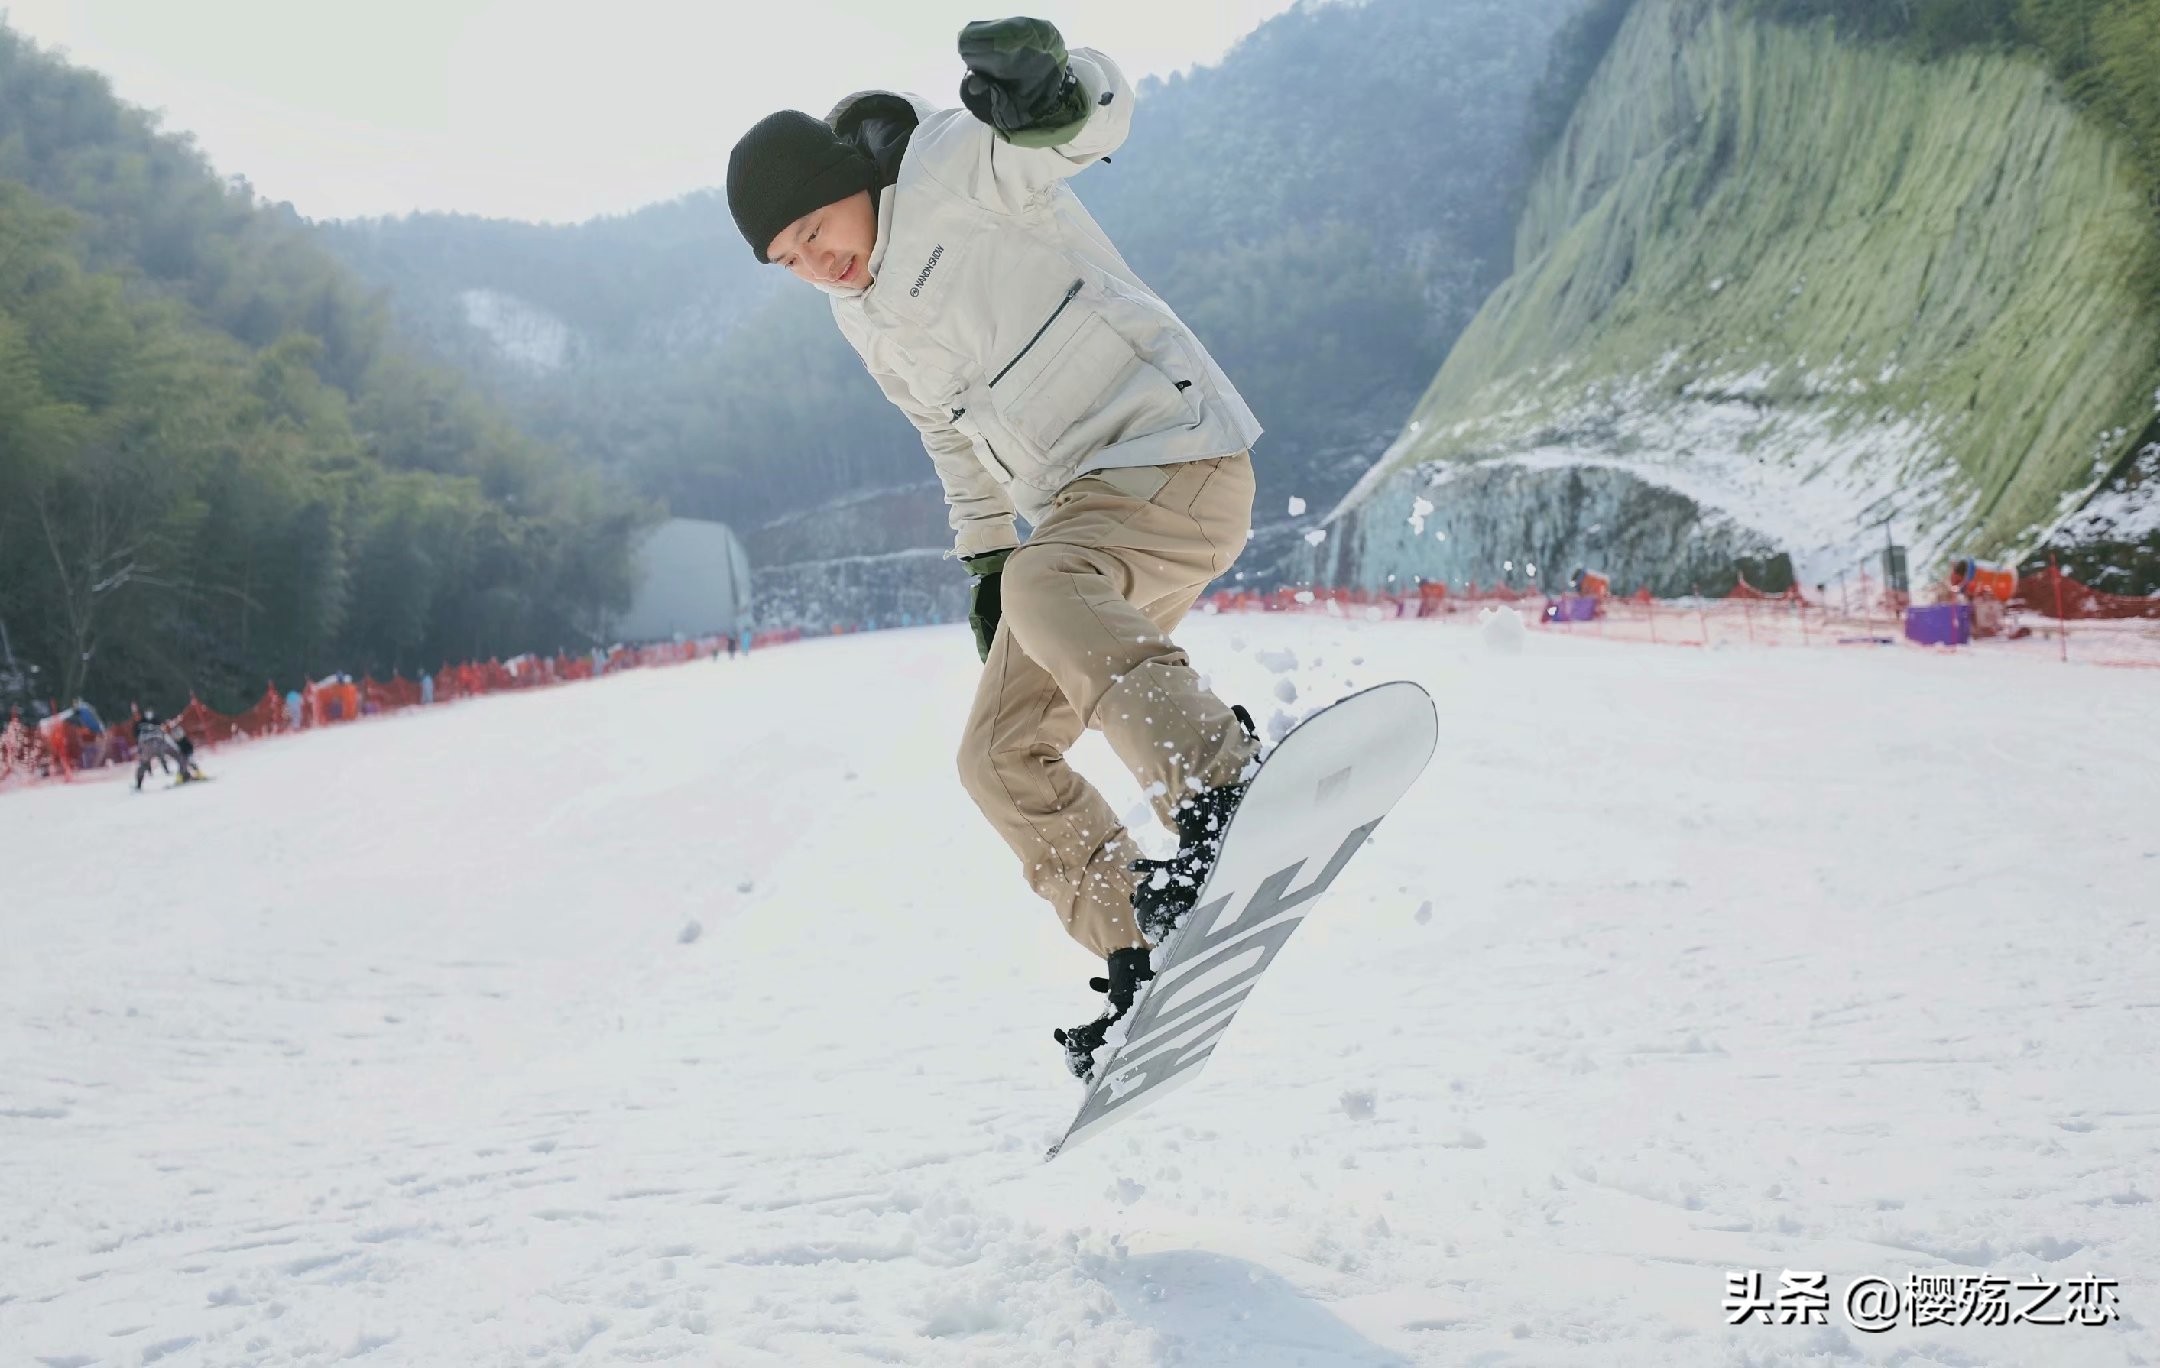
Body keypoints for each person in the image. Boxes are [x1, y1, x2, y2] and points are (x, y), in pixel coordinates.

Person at [727, 17, 1263, 1080]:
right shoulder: (860, 317)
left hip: (1175, 455)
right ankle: (1142, 951)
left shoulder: (944, 170)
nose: (817, 262)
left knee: (1044, 577)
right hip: (1083, 520)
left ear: (848, 184)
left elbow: (1083, 127)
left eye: (816, 228)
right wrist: (982, 559)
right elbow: (946, 433)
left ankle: (1224, 788)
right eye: (790, 261)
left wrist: (1059, 89)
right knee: (996, 757)